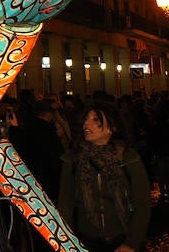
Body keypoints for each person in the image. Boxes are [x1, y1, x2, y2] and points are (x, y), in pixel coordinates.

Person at [58, 102, 151, 252]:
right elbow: (65, 204)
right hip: (87, 241)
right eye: (86, 119)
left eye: (95, 120)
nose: (86, 124)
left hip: (123, 237)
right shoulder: (73, 160)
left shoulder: (127, 158)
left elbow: (142, 203)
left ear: (111, 128)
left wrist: (132, 242)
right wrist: (66, 242)